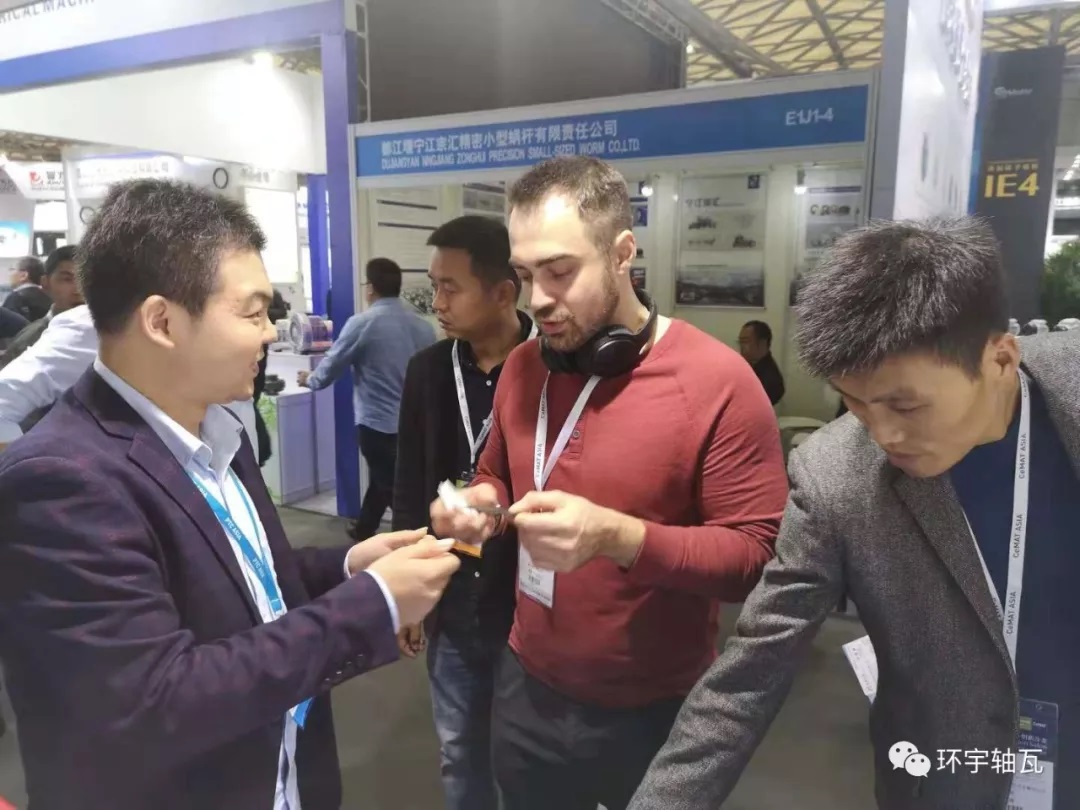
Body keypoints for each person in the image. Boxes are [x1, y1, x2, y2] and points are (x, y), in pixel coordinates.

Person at [0, 179, 461, 810]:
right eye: (252, 312)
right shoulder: (61, 482)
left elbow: (243, 582)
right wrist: (373, 604)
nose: (270, 333)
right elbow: (156, 704)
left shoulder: (218, 432)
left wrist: (351, 566)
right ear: (162, 321)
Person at [629, 217, 1080, 810]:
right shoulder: (835, 474)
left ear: (998, 360)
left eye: (905, 406)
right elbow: (749, 672)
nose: (882, 434)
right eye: (856, 403)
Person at [429, 156, 788, 810]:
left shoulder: (719, 384)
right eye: (525, 275)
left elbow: (756, 558)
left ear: (623, 253)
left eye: (560, 272)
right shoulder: (523, 369)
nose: (537, 300)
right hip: (526, 684)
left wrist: (620, 538)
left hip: (656, 708)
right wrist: (482, 504)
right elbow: (497, 476)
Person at [392, 215, 534, 810]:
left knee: (528, 756)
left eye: (450, 287)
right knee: (459, 748)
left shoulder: (553, 367)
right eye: (434, 286)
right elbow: (409, 482)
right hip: (454, 594)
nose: (438, 302)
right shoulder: (428, 371)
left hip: (531, 600)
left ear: (502, 292)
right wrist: (408, 592)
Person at [299, 258, 436, 540]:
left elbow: (333, 363)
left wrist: (310, 380)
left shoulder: (362, 323)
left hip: (377, 424)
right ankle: (365, 528)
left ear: (370, 288)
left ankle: (412, 540)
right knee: (386, 478)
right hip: (415, 425)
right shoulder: (424, 327)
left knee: (393, 489)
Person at [1, 244, 84, 370]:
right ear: (45, 283)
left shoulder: (110, 337)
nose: (79, 290)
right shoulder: (30, 342)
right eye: (67, 279)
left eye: (87, 279)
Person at [737, 320, 785, 405]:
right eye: (740, 342)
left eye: (745, 341)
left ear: (762, 343)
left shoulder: (771, 381)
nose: (741, 346)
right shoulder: (747, 364)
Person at [2, 256, 51, 322]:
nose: (9, 274)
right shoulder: (50, 298)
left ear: (24, 275)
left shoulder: (16, 298)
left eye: (12, 269)